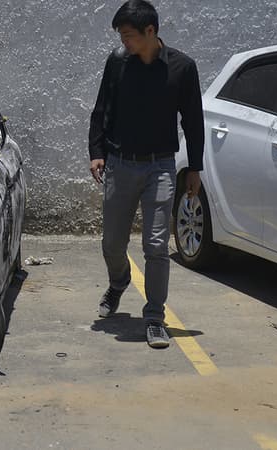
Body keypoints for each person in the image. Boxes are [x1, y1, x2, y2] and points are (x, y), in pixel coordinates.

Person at [87, 0, 204, 348]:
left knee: (155, 244)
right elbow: (101, 108)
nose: (124, 41)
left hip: (161, 166)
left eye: (129, 35)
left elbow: (194, 121)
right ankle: (119, 280)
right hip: (120, 164)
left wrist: (194, 168)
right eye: (122, 35)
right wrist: (97, 153)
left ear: (150, 32)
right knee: (111, 244)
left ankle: (154, 317)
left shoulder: (183, 68)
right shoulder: (118, 62)